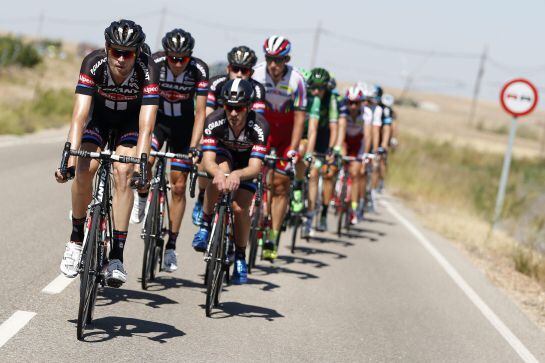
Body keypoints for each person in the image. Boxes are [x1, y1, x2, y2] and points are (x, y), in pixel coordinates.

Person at [55, 19, 159, 287]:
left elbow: (147, 127)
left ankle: (116, 257)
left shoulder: (148, 70)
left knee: (124, 173)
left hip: (129, 125)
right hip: (99, 120)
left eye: (128, 53)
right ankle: (76, 239)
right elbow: (79, 117)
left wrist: (142, 167)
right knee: (83, 168)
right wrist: (68, 157)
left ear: (138, 53)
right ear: (106, 48)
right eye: (116, 52)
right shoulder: (93, 63)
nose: (121, 59)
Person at [130, 28, 209, 272]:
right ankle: (142, 197)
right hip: (159, 122)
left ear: (190, 57)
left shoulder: (199, 70)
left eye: (182, 59)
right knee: (147, 160)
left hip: (184, 129)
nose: (176, 63)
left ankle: (171, 246)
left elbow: (200, 113)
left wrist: (195, 146)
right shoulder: (156, 62)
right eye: (173, 57)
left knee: (177, 186)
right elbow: (144, 99)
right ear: (166, 53)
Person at [191, 79, 270, 284]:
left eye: (239, 108)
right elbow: (208, 161)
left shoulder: (260, 126)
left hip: (247, 163)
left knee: (238, 208)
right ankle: (205, 225)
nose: (233, 113)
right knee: (217, 178)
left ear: (249, 107)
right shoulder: (214, 120)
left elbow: (255, 168)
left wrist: (237, 175)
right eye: (229, 107)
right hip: (225, 156)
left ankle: (241, 256)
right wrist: (217, 172)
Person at [191, 45, 265, 226]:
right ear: (228, 68)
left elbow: (257, 121)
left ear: (251, 72)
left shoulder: (257, 90)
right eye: (235, 68)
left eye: (244, 70)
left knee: (240, 204)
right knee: (206, 159)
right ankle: (203, 197)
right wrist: (202, 141)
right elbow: (207, 114)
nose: (239, 73)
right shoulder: (216, 83)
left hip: (245, 139)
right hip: (219, 132)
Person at [252, 35, 307, 261]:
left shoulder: (297, 79)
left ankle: (273, 235)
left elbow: (301, 118)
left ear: (287, 59)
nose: (274, 64)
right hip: (263, 130)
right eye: (270, 58)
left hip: (286, 135)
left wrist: (293, 149)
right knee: (255, 174)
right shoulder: (256, 73)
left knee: (281, 185)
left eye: (279, 59)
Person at [300, 68, 341, 234]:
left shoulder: (331, 99)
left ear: (327, 88)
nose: (316, 92)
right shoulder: (307, 96)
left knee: (321, 172)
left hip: (324, 136)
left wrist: (332, 149)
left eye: (320, 88)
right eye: (313, 88)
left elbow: (335, 126)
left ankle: (317, 214)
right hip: (307, 134)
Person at [337, 85, 373, 223]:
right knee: (337, 164)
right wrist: (338, 149)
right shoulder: (343, 110)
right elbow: (340, 132)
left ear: (361, 102)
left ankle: (353, 207)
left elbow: (368, 136)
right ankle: (338, 188)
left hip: (358, 143)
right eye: (350, 102)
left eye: (356, 103)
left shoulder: (366, 113)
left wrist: (364, 156)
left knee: (356, 173)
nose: (353, 106)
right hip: (345, 140)